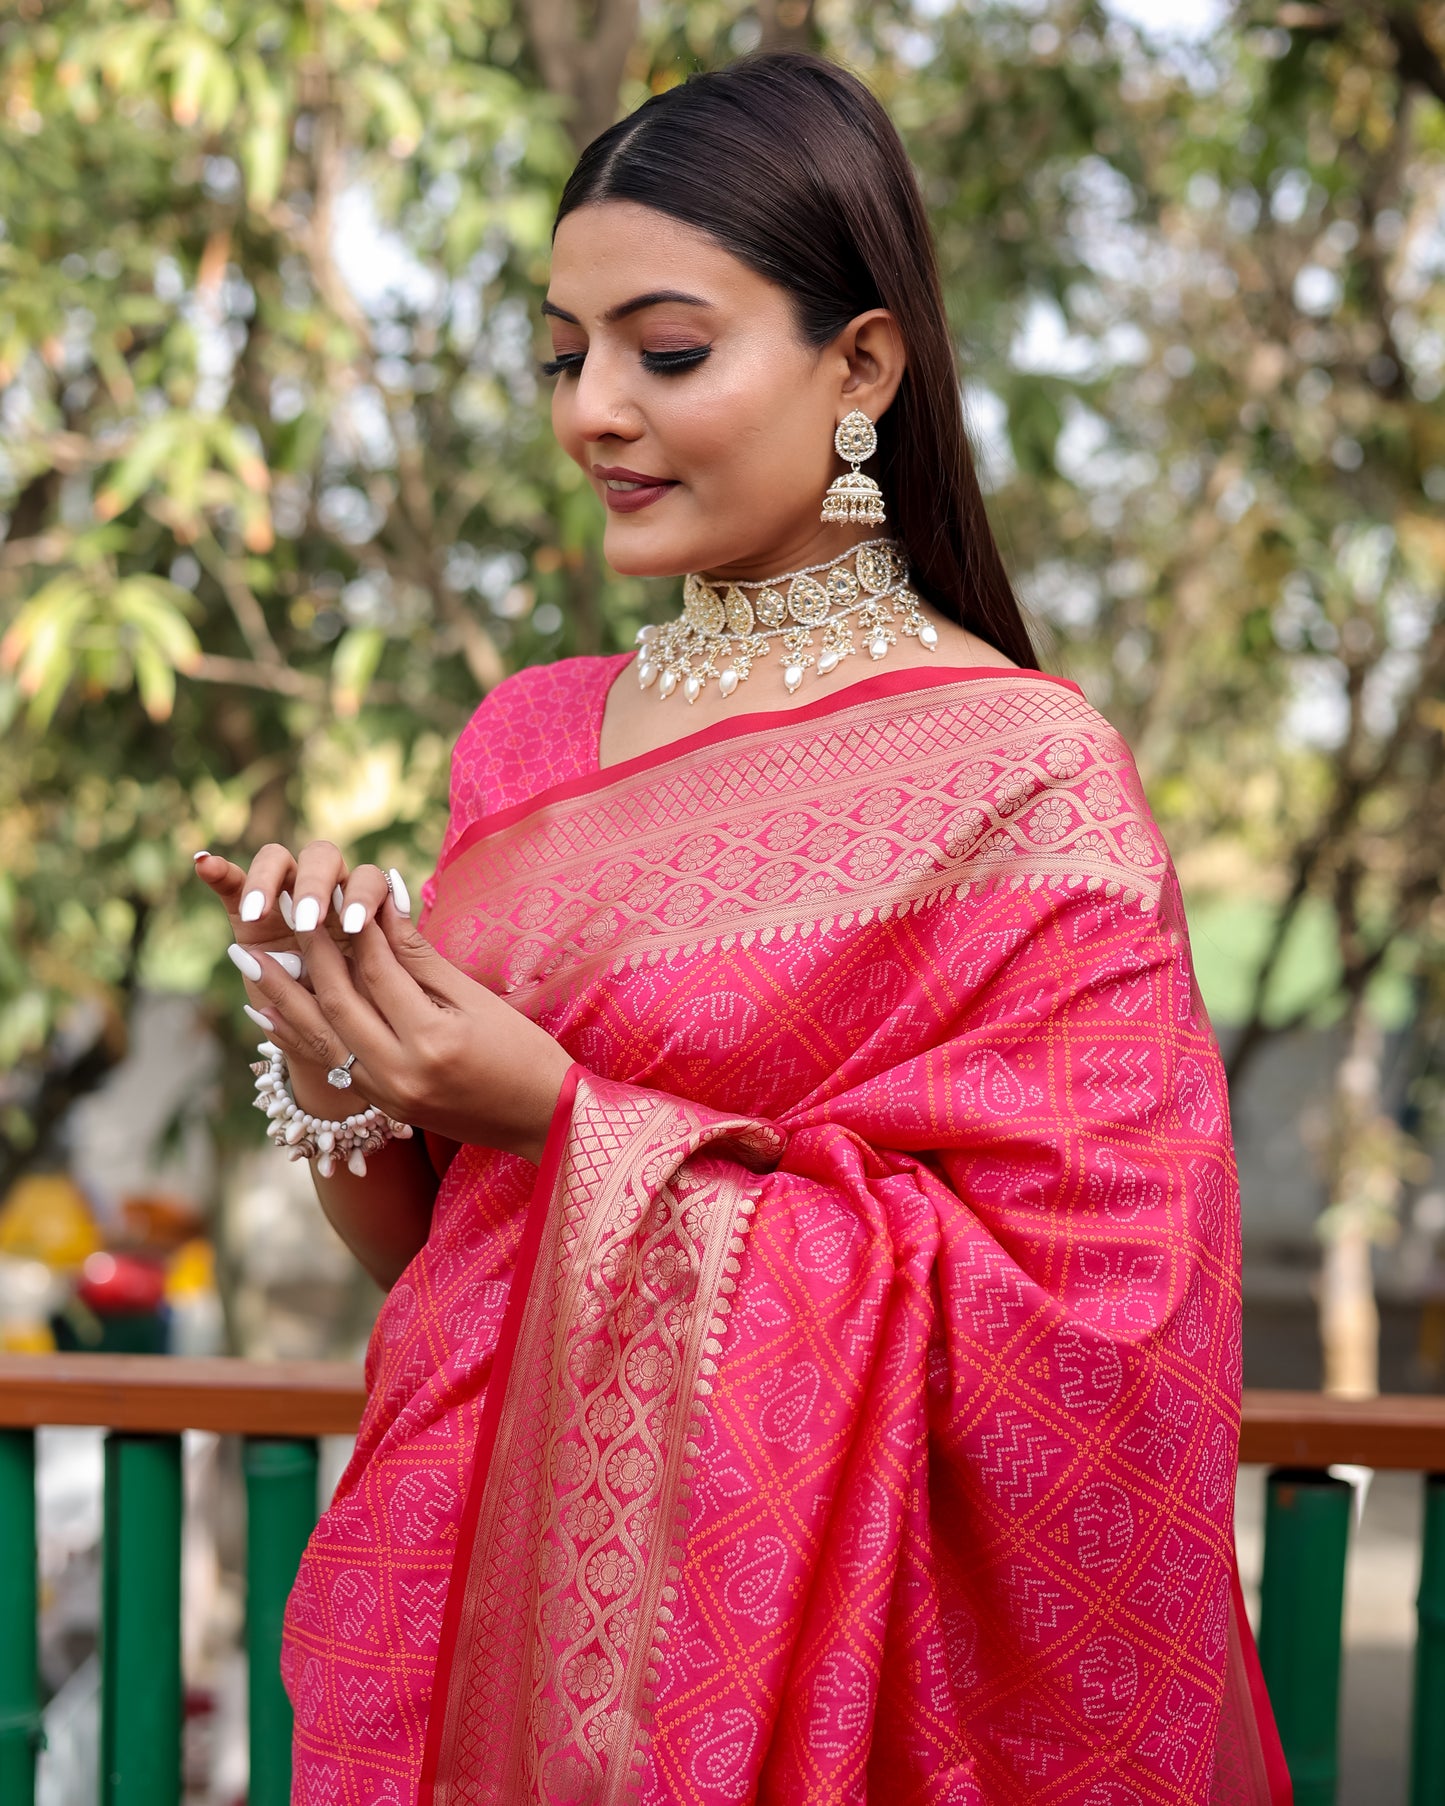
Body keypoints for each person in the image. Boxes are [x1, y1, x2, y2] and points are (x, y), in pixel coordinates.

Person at [196, 52, 1291, 1806]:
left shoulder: (1026, 775)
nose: (590, 412)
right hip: (468, 1615)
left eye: (667, 350)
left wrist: (558, 1113)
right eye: (563, 354)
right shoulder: (527, 737)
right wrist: (339, 1051)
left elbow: (1103, 1341)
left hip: (808, 1700)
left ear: (859, 362)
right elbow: (448, 1267)